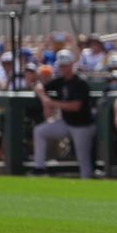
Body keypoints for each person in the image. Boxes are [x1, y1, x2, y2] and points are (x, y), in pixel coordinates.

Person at [32, 49, 95, 178]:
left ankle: (87, 185)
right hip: (66, 123)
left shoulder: (80, 83)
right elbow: (39, 86)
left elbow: (75, 106)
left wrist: (51, 103)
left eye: (65, 65)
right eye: (61, 65)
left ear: (72, 64)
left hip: (82, 125)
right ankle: (39, 169)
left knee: (84, 161)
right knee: (40, 131)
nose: (63, 67)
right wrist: (45, 100)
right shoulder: (60, 81)